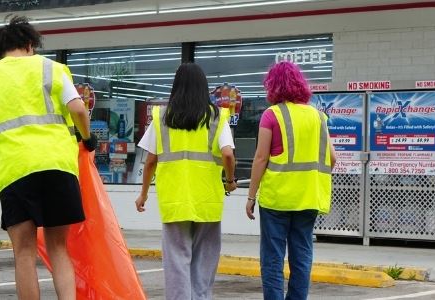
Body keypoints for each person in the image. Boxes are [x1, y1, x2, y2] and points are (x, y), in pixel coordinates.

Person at [0, 16, 96, 300]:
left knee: (23, 252)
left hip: (15, 171)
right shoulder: (51, 68)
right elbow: (78, 109)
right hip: (57, 166)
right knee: (59, 247)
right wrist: (87, 139)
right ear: (29, 44)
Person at [134, 63, 236, 300]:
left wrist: (144, 194)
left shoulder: (162, 117)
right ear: (204, 87)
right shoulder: (217, 117)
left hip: (174, 200)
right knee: (204, 259)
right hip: (207, 200)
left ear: (176, 86)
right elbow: (228, 154)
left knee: (177, 260)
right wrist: (230, 181)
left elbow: (150, 161)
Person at [245, 61, 334, 300]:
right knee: (302, 255)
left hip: (277, 199)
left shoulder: (271, 115)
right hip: (308, 197)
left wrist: (251, 196)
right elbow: (332, 158)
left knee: (273, 258)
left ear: (273, 86)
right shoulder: (318, 116)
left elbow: (261, 157)